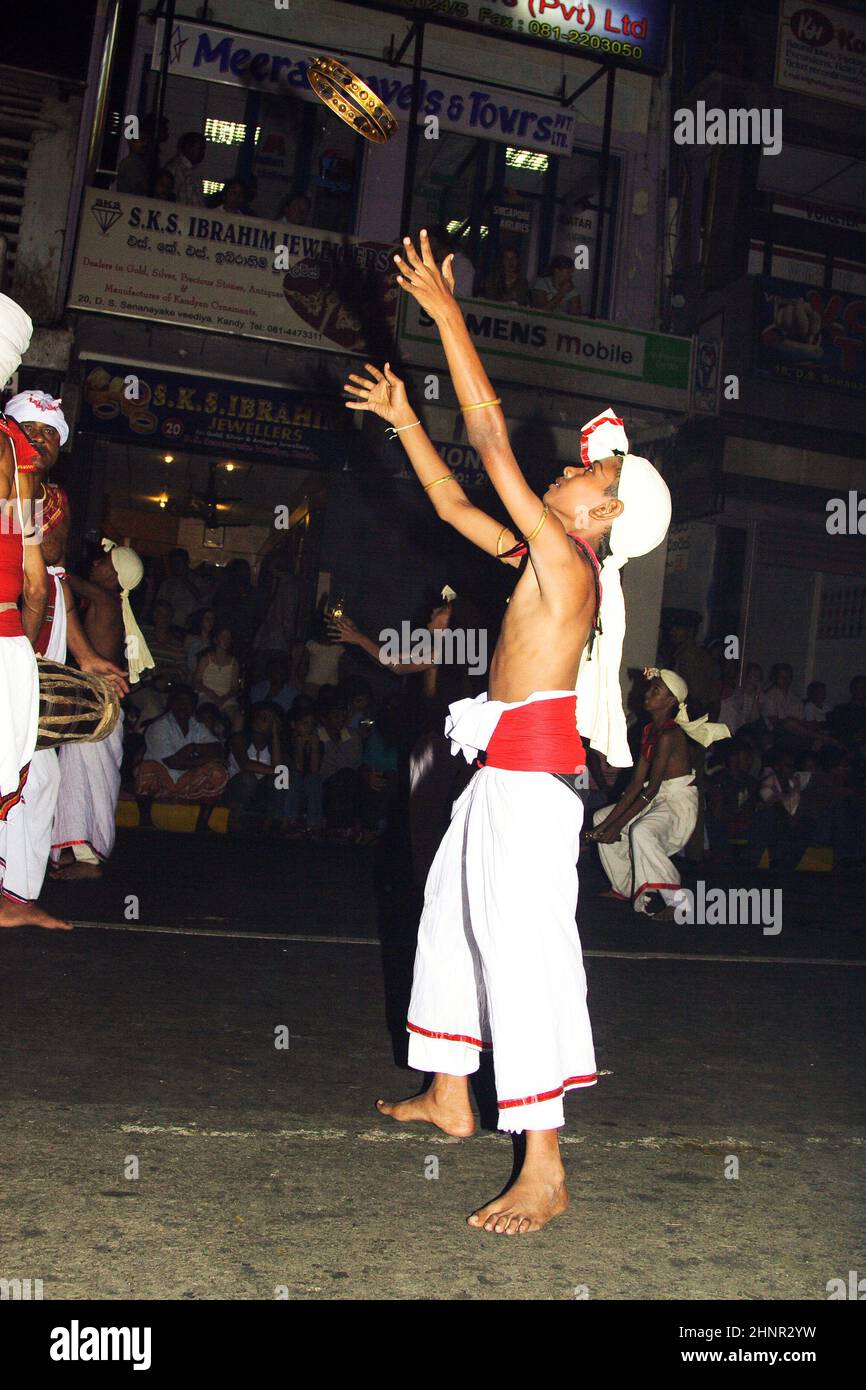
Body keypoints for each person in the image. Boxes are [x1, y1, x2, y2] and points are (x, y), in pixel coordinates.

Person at [342, 229, 672, 1233]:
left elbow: (487, 445)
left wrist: (447, 318)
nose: (564, 469)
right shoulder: (546, 556)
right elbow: (451, 499)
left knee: (524, 957)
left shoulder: (567, 560)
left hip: (530, 790)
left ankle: (545, 1162)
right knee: (447, 915)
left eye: (580, 475)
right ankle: (451, 1095)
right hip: (503, 777)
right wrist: (404, 419)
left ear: (600, 510)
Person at [0, 393, 127, 899]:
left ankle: (18, 894)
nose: (43, 439)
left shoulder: (49, 498)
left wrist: (87, 657)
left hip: (28, 631)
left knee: (39, 770)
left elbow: (47, 581)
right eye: (32, 429)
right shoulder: (11, 485)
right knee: (22, 766)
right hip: (14, 633)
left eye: (53, 433)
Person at [0, 296, 66, 929]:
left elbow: (34, 573)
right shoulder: (13, 459)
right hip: (8, 630)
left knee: (18, 765)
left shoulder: (17, 459)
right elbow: (29, 569)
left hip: (8, 631)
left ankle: (7, 896)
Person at [588, 669, 729, 916]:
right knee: (600, 817)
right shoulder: (649, 731)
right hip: (658, 800)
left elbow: (650, 790)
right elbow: (635, 786)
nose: (648, 694)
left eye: (656, 691)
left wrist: (615, 826)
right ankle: (625, 887)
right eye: (650, 688)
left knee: (641, 831)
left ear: (671, 701)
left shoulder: (670, 735)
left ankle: (678, 902)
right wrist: (606, 825)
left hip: (677, 805)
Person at [50, 541, 153, 880]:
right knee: (83, 778)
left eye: (104, 560)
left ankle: (89, 858)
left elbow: (63, 578)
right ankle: (81, 851)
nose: (96, 562)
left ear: (113, 573)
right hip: (98, 706)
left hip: (97, 708)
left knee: (86, 779)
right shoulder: (109, 603)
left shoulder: (104, 598)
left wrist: (53, 548)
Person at [133, 684, 227, 829]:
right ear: (171, 704)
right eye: (179, 701)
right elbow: (173, 762)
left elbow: (217, 749)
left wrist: (193, 748)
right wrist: (206, 758)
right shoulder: (159, 726)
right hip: (161, 784)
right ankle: (145, 821)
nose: (183, 706)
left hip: (188, 783)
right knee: (147, 768)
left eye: (188, 702)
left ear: (194, 706)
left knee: (217, 771)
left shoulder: (196, 726)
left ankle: (202, 824)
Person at [225, 703, 288, 834]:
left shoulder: (274, 744)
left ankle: (273, 819)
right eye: (259, 717)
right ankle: (237, 817)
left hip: (261, 791)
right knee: (249, 777)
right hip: (237, 789)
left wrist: (275, 735)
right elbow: (245, 764)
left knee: (282, 778)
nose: (261, 721)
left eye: (267, 719)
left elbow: (279, 768)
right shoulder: (240, 738)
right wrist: (276, 771)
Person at [705, 737, 759, 859]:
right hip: (723, 827)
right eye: (746, 758)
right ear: (733, 759)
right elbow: (717, 812)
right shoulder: (719, 780)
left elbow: (752, 807)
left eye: (751, 759)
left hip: (743, 826)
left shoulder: (751, 782)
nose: (749, 762)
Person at [193, 625, 242, 731]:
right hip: (207, 695)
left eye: (228, 637)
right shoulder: (206, 658)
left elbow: (234, 687)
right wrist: (211, 694)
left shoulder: (234, 662)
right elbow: (197, 681)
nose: (226, 640)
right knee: (208, 717)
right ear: (215, 639)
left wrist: (224, 698)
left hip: (226, 698)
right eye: (223, 636)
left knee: (239, 718)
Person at [285, 700, 324, 834]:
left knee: (314, 779)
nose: (309, 728)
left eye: (312, 725)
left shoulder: (318, 743)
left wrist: (313, 746)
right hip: (283, 777)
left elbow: (314, 769)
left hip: (306, 780)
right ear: (293, 725)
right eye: (305, 724)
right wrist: (300, 746)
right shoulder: (286, 741)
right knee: (294, 776)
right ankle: (290, 819)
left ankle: (313, 824)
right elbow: (297, 767)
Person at [116, 112, 168, 195]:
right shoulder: (130, 163)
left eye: (147, 140)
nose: (145, 144)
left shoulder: (143, 161)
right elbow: (145, 187)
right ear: (131, 142)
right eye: (142, 140)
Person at [299, 610, 345, 696]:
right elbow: (301, 666)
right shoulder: (312, 645)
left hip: (331, 689)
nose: (329, 629)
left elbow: (342, 670)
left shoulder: (339, 649)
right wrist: (304, 685)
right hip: (311, 686)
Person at [156, 548, 201, 629]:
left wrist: (184, 579)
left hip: (186, 628)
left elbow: (201, 598)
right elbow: (159, 604)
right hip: (167, 626)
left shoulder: (197, 580)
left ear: (187, 562)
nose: (176, 566)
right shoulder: (167, 583)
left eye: (179, 563)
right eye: (173, 563)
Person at [426, 226, 474, 298]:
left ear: (435, 241)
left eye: (429, 242)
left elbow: (461, 296)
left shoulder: (463, 265)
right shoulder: (437, 266)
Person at [165, 132, 206, 207]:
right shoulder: (176, 169)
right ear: (188, 147)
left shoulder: (194, 170)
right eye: (200, 148)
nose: (203, 153)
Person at [185, 606, 216, 673]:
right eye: (207, 618)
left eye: (212, 619)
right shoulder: (190, 638)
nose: (210, 622)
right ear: (201, 620)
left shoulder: (214, 642)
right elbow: (183, 657)